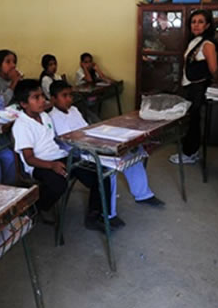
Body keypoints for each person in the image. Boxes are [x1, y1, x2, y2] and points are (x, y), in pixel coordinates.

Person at [49, 80, 164, 219]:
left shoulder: (74, 110)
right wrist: (97, 142)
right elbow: (70, 140)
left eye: (70, 95)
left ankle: (143, 194)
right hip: (78, 153)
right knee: (109, 168)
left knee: (132, 152)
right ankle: (109, 214)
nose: (69, 99)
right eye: (64, 96)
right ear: (53, 99)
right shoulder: (53, 117)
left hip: (91, 144)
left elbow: (86, 129)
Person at [11, 79, 112, 232]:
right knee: (58, 184)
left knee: (100, 173)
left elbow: (53, 141)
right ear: (24, 104)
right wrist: (52, 165)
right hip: (39, 164)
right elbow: (29, 159)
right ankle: (37, 207)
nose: (42, 100)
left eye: (42, 96)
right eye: (36, 98)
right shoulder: (21, 125)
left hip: (59, 156)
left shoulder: (44, 116)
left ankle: (95, 215)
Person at [169, 10, 218, 165]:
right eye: (193, 22)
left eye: (200, 22)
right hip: (190, 85)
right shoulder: (195, 41)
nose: (196, 25)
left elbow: (214, 69)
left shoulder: (207, 44)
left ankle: (189, 153)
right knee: (191, 119)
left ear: (208, 25)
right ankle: (192, 151)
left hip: (198, 87)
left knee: (193, 121)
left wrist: (215, 81)